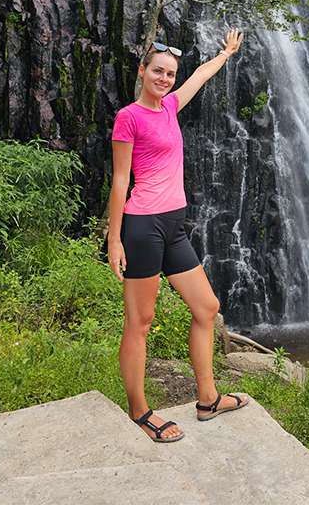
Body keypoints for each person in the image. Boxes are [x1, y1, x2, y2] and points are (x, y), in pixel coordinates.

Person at [106, 27, 249, 443]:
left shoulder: (169, 107)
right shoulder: (128, 117)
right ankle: (140, 412)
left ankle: (207, 399)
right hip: (142, 226)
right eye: (158, 71)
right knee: (140, 322)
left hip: (174, 226)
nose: (164, 79)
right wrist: (114, 240)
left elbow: (200, 77)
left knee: (206, 308)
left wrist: (225, 54)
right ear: (143, 71)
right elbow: (119, 181)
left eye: (169, 73)